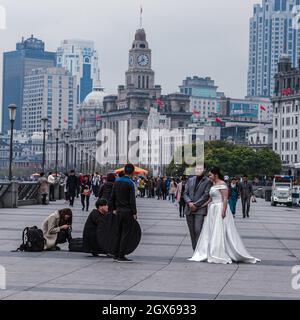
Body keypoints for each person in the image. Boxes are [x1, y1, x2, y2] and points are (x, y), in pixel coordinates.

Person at [188, 167, 260, 264]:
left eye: (210, 175)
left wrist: (224, 211)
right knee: (211, 230)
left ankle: (219, 251)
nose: (209, 176)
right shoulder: (213, 184)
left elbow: (225, 198)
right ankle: (209, 250)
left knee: (219, 230)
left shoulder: (222, 184)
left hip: (220, 208)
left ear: (215, 175)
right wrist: (200, 206)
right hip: (212, 209)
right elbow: (210, 199)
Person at [110, 163, 137, 263]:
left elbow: (112, 197)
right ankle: (121, 255)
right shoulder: (130, 183)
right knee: (125, 234)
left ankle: (115, 254)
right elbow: (132, 200)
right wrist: (134, 212)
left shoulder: (116, 181)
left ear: (124, 171)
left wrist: (113, 208)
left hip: (118, 211)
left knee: (118, 233)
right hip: (127, 212)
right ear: (132, 172)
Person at [184, 165, 213, 251]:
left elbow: (206, 195)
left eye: (200, 169)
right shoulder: (190, 180)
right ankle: (195, 251)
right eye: (197, 169)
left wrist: (195, 205)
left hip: (200, 209)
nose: (198, 170)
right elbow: (185, 193)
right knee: (192, 232)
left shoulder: (208, 181)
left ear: (204, 170)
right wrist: (189, 203)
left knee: (198, 230)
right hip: (189, 208)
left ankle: (199, 251)